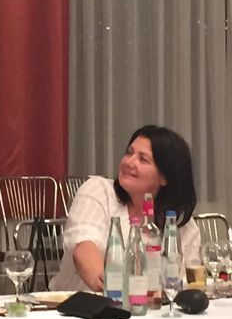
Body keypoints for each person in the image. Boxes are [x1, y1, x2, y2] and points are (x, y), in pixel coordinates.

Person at [50, 125, 201, 292]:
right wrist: (125, 290)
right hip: (83, 304)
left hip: (156, 307)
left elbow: (191, 281)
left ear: (165, 177)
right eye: (129, 153)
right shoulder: (98, 191)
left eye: (143, 159)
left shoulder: (178, 221)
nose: (129, 162)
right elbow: (83, 248)